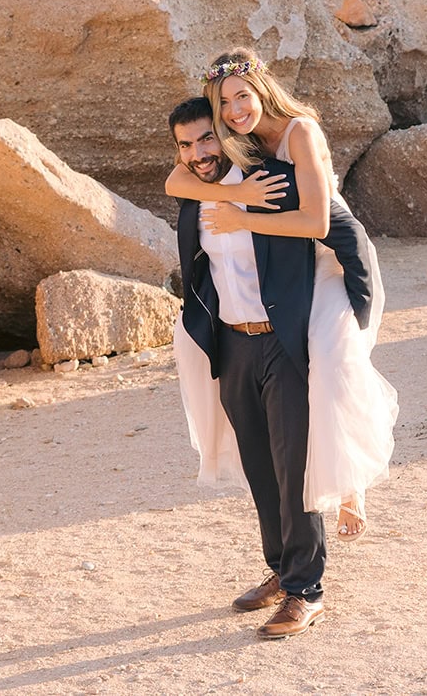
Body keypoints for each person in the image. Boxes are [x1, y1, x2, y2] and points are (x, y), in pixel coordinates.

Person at [167, 97, 379, 639]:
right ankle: (281, 571)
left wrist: (355, 315)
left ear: (225, 133)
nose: (198, 153)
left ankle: (306, 591)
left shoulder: (275, 183)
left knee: (293, 469)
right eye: (186, 145)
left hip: (283, 342)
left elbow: (343, 231)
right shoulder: (196, 193)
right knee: (260, 467)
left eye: (206, 138)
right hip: (232, 345)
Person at [169, 51, 398, 542]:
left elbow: (317, 222)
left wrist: (242, 216)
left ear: (262, 89)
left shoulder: (300, 132)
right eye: (224, 102)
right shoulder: (238, 138)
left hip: (331, 259)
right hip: (290, 259)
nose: (234, 110)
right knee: (300, 388)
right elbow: (176, 179)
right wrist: (238, 195)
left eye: (242, 97)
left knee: (331, 365)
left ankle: (350, 484)